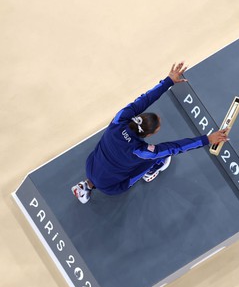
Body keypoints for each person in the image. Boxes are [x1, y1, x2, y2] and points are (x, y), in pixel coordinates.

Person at [71, 62, 228, 204]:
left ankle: (87, 185)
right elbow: (174, 148)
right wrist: (207, 139)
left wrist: (169, 81)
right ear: (148, 135)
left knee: (107, 157)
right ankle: (152, 170)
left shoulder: (119, 120)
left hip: (91, 167)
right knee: (158, 157)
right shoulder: (141, 151)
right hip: (110, 187)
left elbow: (144, 100)